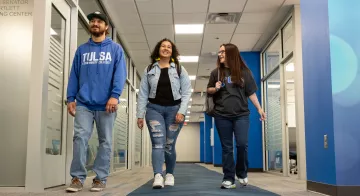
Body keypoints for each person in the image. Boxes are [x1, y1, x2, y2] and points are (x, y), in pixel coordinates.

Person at [65, 11, 127, 192]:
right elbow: (74, 75)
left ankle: (100, 178)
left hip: (106, 104)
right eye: (92, 21)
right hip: (84, 102)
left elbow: (120, 74)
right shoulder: (82, 50)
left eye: (99, 21)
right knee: (79, 138)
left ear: (106, 27)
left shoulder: (115, 49)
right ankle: (77, 177)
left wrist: (115, 96)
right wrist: (71, 98)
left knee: (105, 141)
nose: (95, 23)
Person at [207, 43, 266, 189]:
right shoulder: (216, 72)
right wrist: (216, 88)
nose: (220, 54)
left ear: (231, 54)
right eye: (219, 52)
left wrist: (259, 109)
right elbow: (209, 89)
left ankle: (242, 172)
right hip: (222, 115)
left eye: (223, 52)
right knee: (227, 148)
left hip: (241, 115)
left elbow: (251, 92)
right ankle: (228, 178)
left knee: (241, 144)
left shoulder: (244, 72)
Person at [136, 38, 192, 189]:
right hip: (154, 109)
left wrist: (182, 111)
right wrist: (140, 115)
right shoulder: (149, 69)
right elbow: (143, 93)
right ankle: (158, 175)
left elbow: (186, 93)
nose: (166, 48)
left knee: (169, 144)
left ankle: (170, 174)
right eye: (163, 46)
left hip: (174, 110)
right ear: (158, 49)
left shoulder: (180, 69)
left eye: (169, 47)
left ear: (172, 51)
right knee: (158, 143)